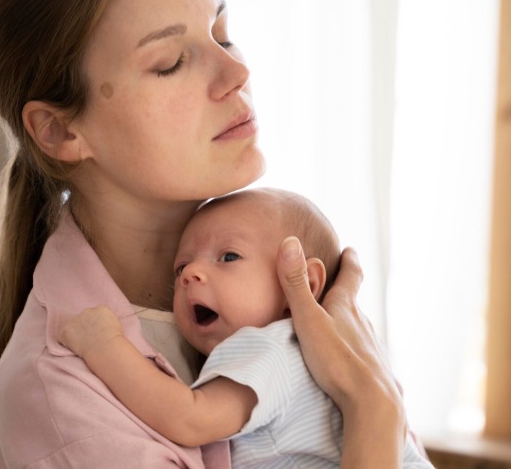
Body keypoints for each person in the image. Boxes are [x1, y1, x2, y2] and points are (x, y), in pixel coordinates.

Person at [0, 0, 412, 467]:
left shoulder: (280, 281)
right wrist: (374, 410)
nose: (236, 71)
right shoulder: (62, 397)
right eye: (171, 63)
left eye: (222, 36)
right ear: (61, 131)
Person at [60, 188, 431, 468]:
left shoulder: (271, 348)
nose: (191, 274)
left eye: (229, 257)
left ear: (302, 282)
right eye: (181, 268)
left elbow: (188, 418)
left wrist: (104, 344)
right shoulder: (345, 356)